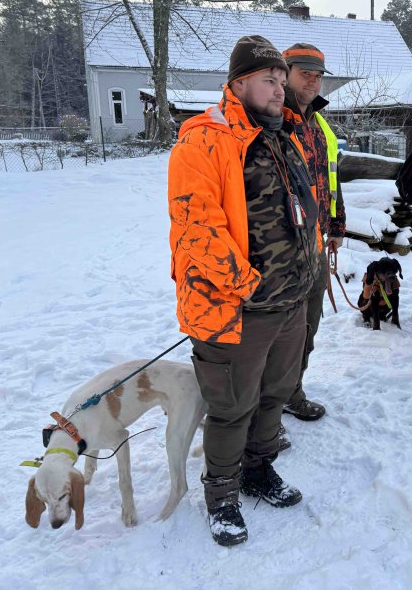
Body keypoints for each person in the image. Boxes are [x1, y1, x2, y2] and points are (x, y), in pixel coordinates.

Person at [167, 35, 321, 546]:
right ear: (237, 84)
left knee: (274, 395)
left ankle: (258, 470)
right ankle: (222, 493)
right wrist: (247, 285)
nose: (279, 90)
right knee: (233, 406)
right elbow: (197, 229)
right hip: (237, 308)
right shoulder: (203, 142)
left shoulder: (284, 136)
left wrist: (305, 273)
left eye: (281, 80)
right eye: (268, 80)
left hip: (290, 301)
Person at [280, 43, 346, 425]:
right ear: (284, 73)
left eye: (318, 75)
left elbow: (331, 178)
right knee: (279, 334)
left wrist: (335, 226)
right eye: (304, 73)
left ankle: (292, 392)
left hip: (316, 245)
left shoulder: (319, 125)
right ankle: (265, 413)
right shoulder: (273, 120)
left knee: (307, 327)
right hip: (282, 250)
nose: (313, 81)